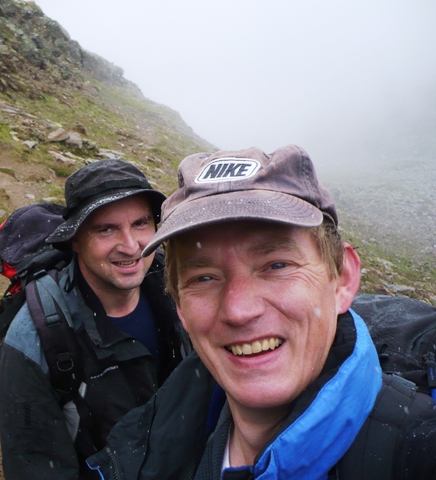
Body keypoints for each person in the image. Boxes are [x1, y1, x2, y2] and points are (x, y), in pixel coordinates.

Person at [86, 145, 436, 479]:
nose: (239, 310)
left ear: (342, 279)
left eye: (277, 265)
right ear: (179, 305)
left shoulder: (417, 453)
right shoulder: (141, 448)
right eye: (204, 277)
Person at [0, 159, 191, 479]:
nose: (131, 247)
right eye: (106, 229)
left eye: (141, 223)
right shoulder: (35, 337)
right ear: (75, 239)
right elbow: (34, 466)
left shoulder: (176, 284)